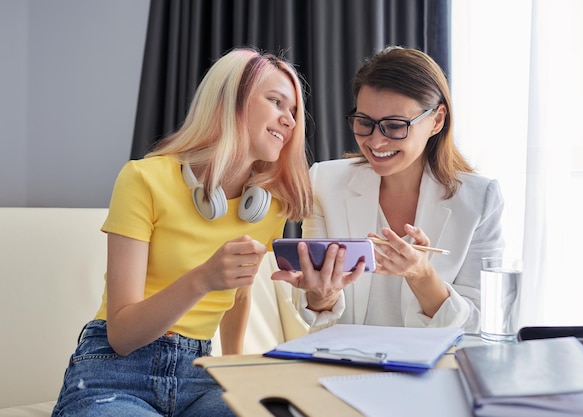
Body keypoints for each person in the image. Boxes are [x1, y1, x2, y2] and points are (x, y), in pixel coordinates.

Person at [52, 47, 312, 417]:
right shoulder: (143, 179)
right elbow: (122, 336)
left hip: (198, 372)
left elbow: (238, 296)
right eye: (276, 102)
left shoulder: (267, 207)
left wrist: (234, 370)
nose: (289, 120)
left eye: (294, 112)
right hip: (114, 371)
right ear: (229, 101)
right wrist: (204, 278)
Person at [273, 46, 504, 332]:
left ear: (437, 120)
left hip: (436, 368)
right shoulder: (325, 182)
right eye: (364, 123)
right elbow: (319, 316)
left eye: (395, 126)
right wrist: (323, 294)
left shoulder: (479, 200)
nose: (376, 142)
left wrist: (420, 275)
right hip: (346, 364)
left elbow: (482, 325)